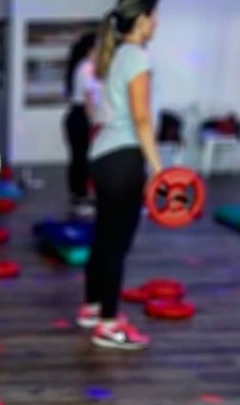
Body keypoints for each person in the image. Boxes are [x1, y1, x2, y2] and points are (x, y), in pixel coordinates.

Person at [77, 0, 161, 350]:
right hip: (124, 158)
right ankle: (109, 325)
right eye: (154, 17)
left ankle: (94, 307)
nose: (156, 23)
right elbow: (141, 118)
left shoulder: (115, 54)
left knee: (104, 238)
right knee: (117, 244)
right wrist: (158, 168)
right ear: (141, 20)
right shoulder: (136, 56)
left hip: (103, 155)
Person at [63, 32, 100, 218]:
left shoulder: (82, 66)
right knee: (82, 159)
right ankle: (81, 198)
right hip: (81, 117)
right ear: (90, 49)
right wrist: (95, 122)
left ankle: (79, 196)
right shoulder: (87, 67)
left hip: (76, 116)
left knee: (79, 158)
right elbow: (88, 98)